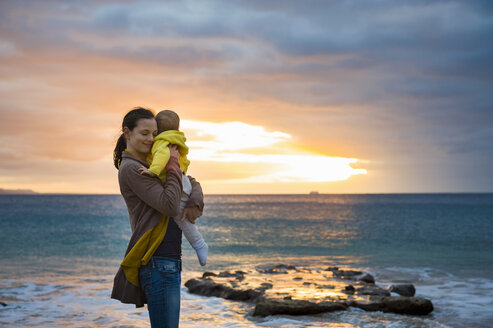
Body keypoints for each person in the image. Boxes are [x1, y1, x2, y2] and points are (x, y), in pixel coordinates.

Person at [111, 107, 204, 328]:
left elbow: (190, 181)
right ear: (127, 133)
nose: (151, 139)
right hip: (158, 261)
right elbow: (170, 206)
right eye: (144, 133)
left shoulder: (151, 165)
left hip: (168, 260)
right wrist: (172, 164)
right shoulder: (132, 169)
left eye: (154, 133)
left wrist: (195, 201)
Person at [138, 110, 208, 266]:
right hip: (183, 180)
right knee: (181, 216)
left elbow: (162, 156)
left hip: (180, 184)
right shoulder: (177, 140)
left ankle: (198, 243)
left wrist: (152, 171)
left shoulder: (162, 143)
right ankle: (198, 243)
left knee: (180, 217)